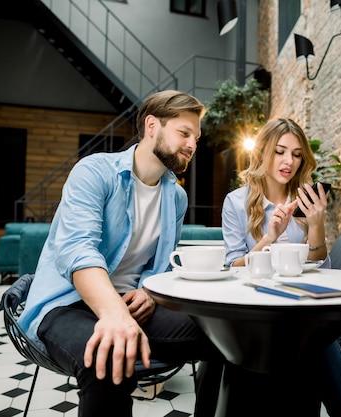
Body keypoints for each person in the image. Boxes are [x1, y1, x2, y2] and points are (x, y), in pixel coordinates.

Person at [18, 90, 223, 417]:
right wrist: (114, 315)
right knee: (111, 354)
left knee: (230, 334)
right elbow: (77, 249)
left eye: (196, 138)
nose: (192, 145)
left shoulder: (176, 198)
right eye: (184, 133)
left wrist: (149, 292)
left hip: (133, 305)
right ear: (152, 125)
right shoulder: (95, 172)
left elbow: (160, 265)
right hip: (68, 303)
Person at [221, 117, 341, 417]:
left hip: (298, 305)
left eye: (297, 154)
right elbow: (233, 266)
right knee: (315, 337)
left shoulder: (305, 201)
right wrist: (269, 237)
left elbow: (321, 265)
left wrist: (317, 224)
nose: (289, 161)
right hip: (252, 308)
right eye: (280, 151)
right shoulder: (236, 202)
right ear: (263, 152)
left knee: (316, 333)